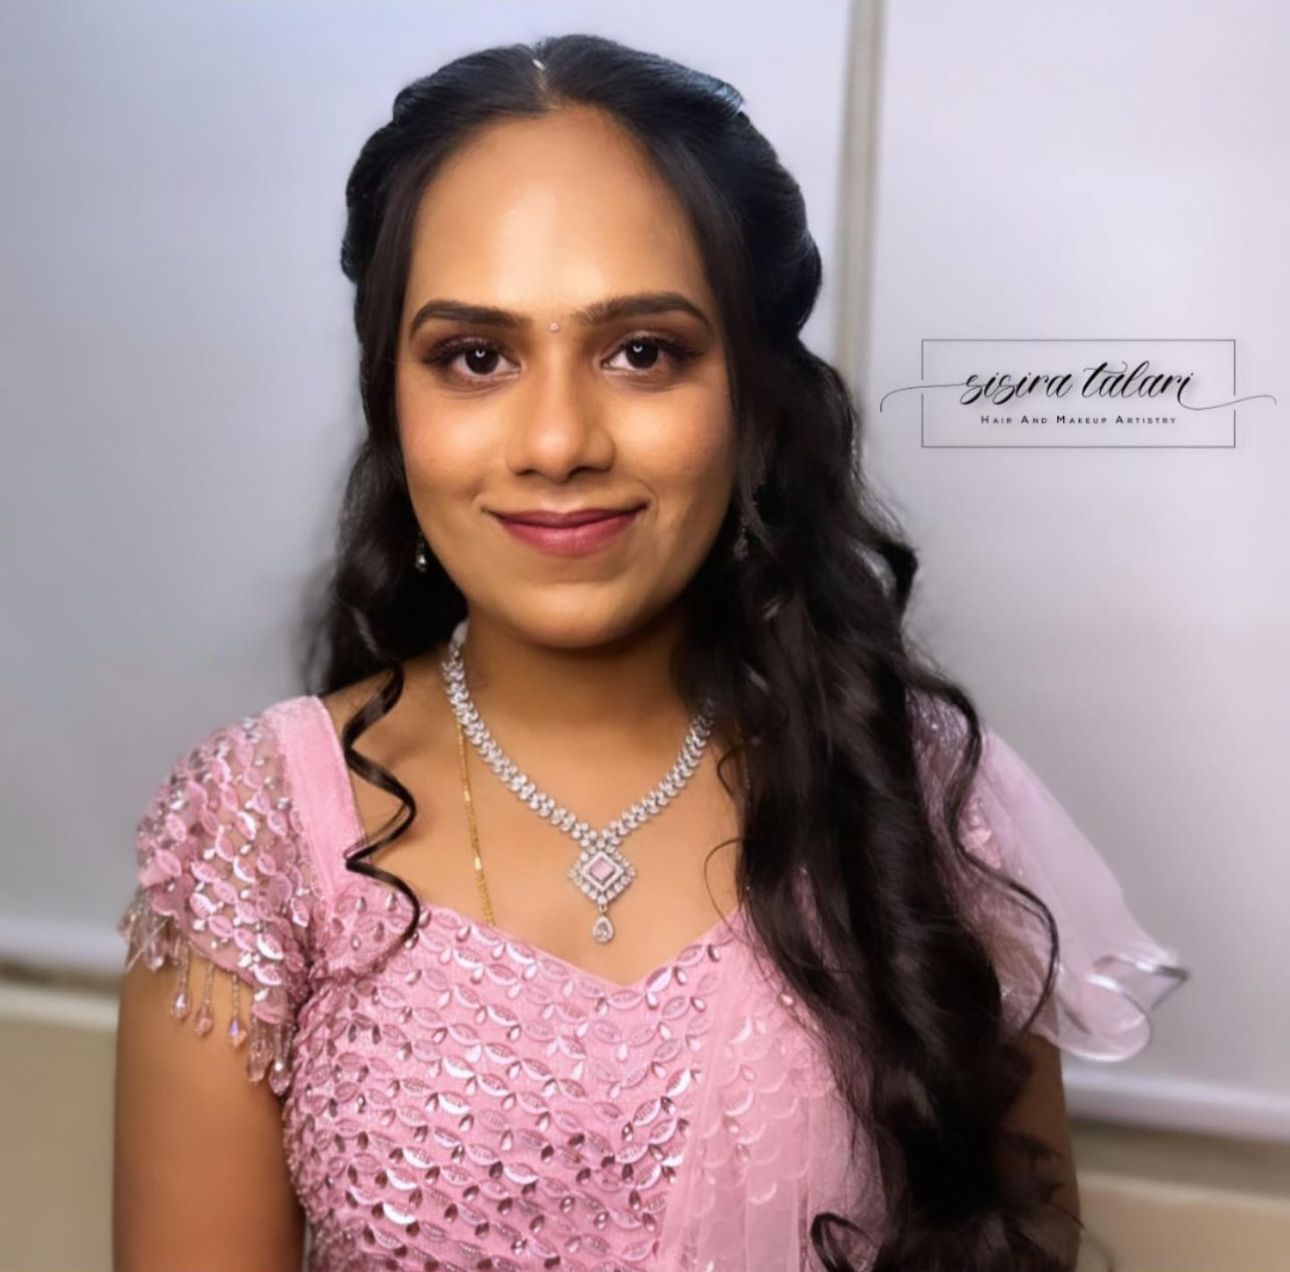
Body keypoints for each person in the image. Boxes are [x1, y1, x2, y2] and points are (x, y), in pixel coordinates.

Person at [111, 32, 1188, 1272]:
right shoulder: (255, 831)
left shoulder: (924, 801)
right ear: (392, 401)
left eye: (642, 352)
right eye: (476, 357)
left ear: (754, 396)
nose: (558, 440)